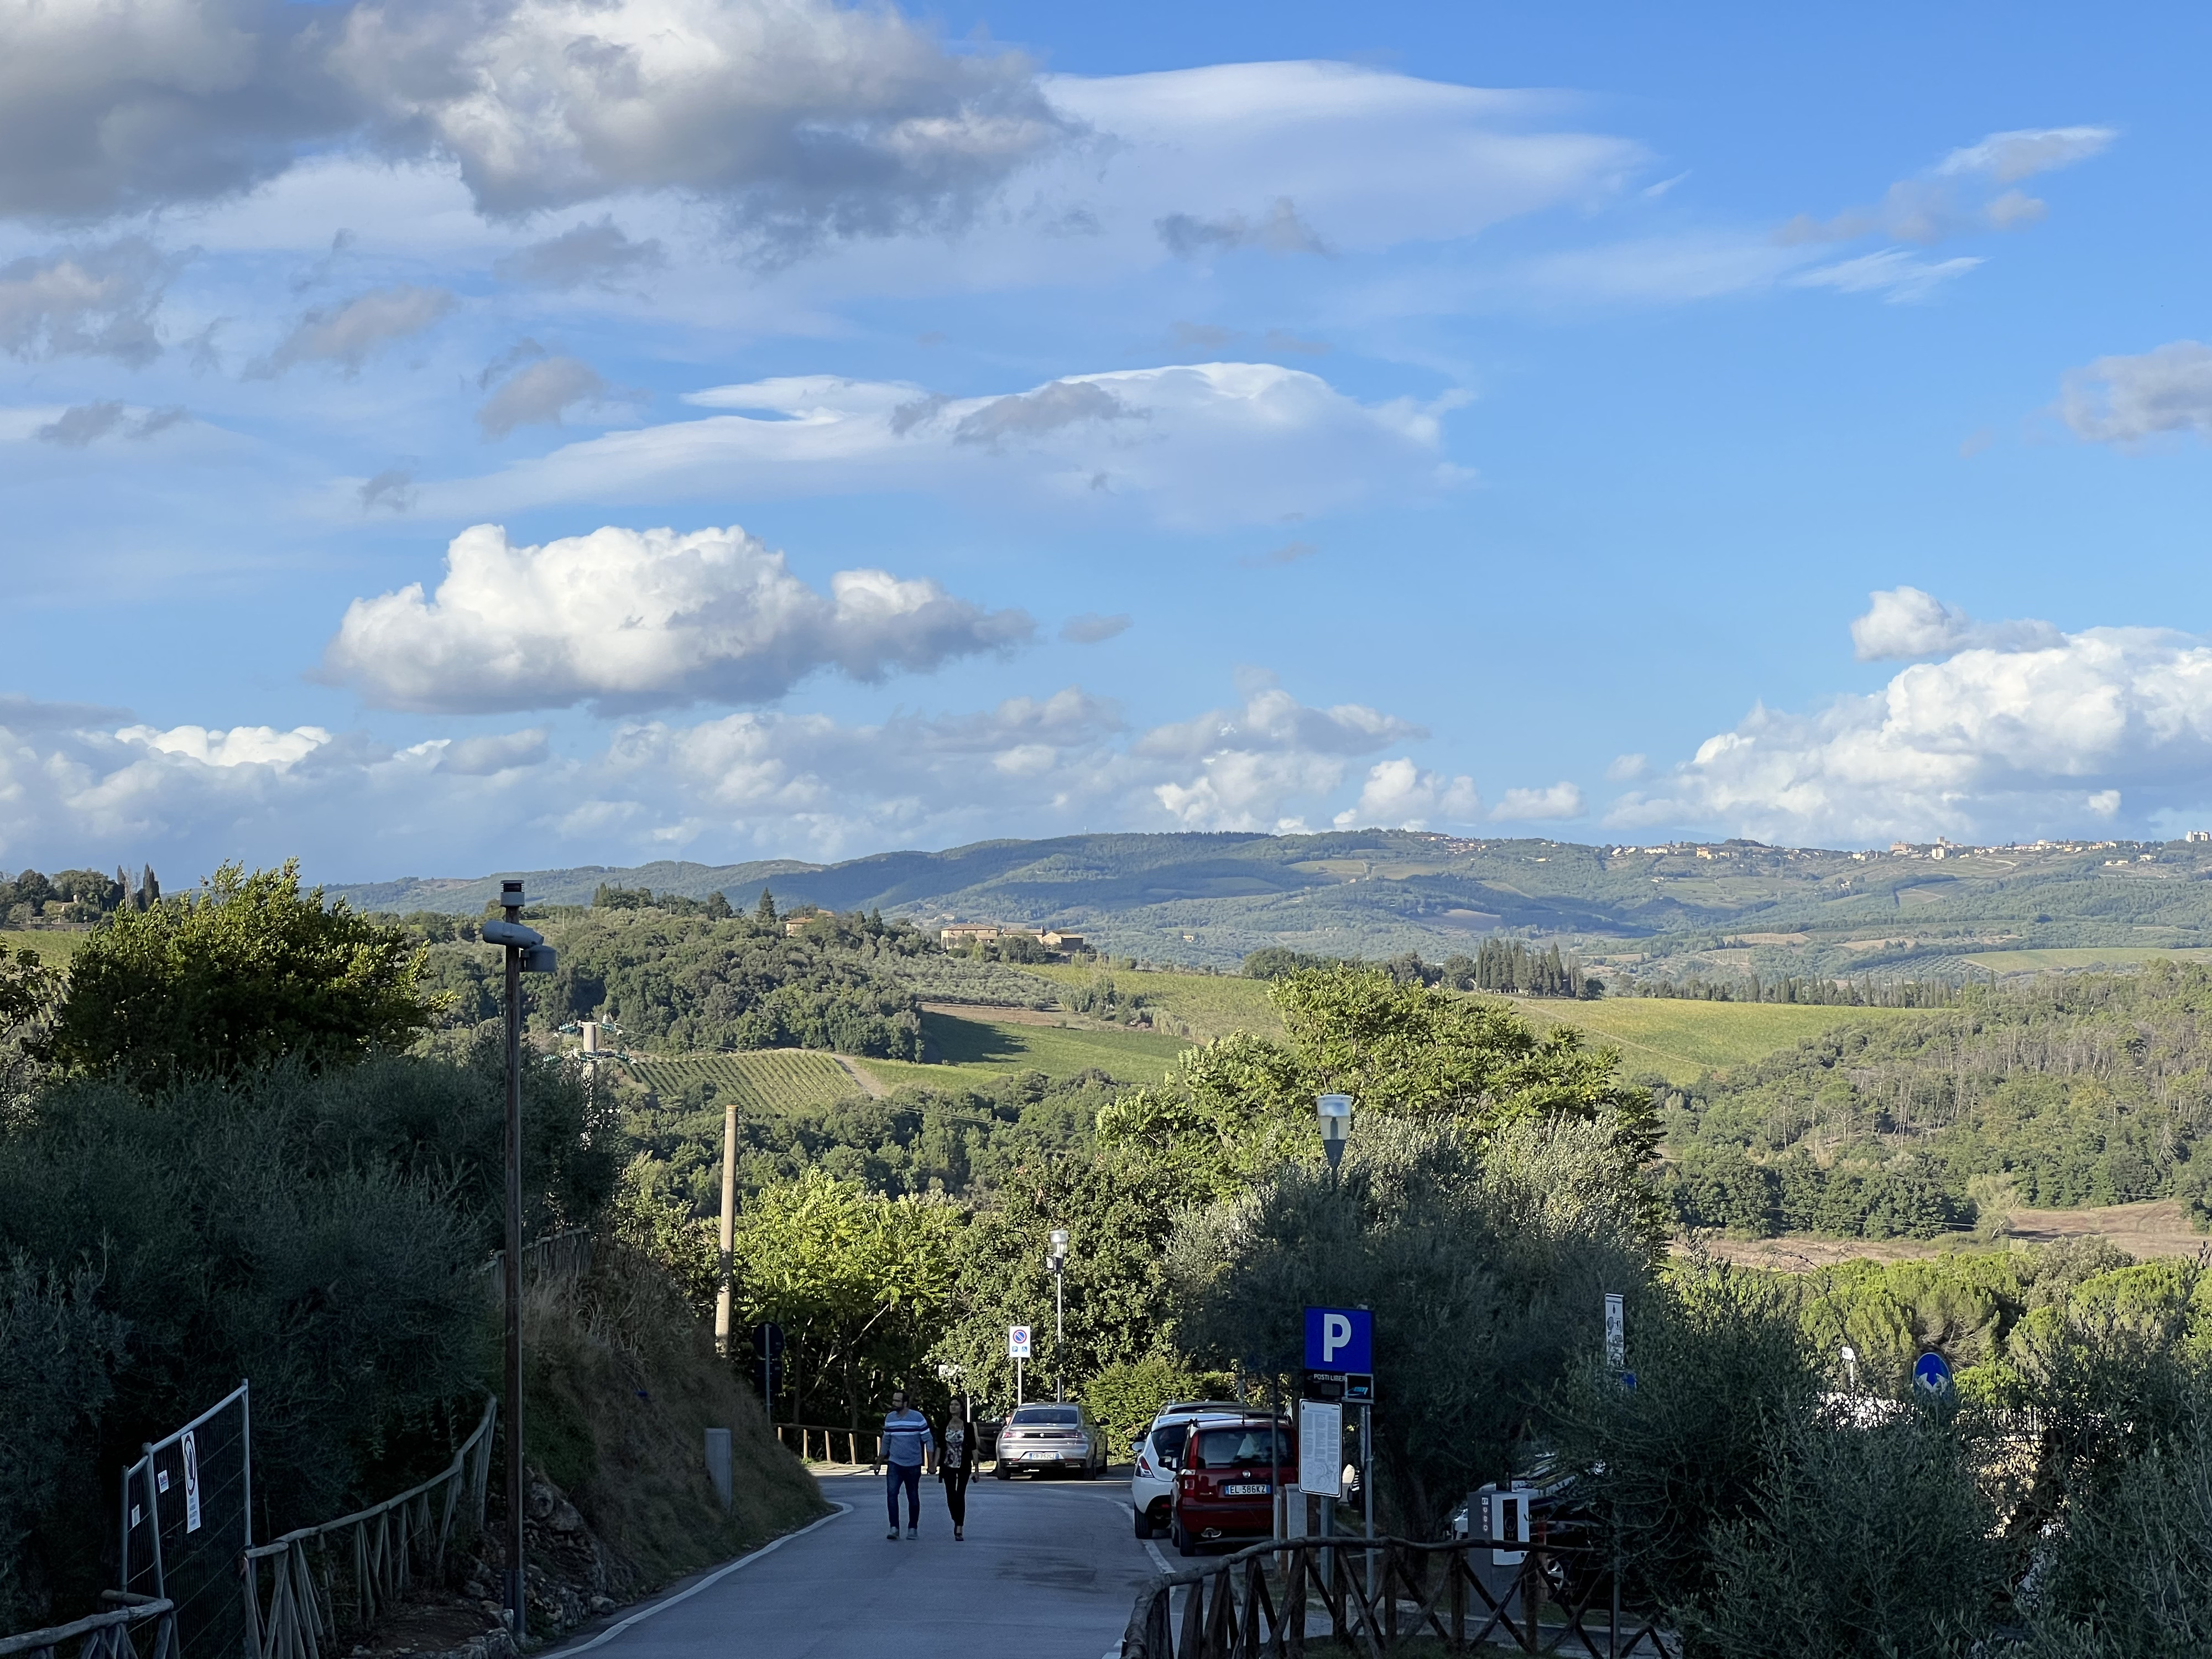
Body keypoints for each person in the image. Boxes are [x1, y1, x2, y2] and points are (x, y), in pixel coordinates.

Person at [879, 1387, 933, 1540]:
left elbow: (928, 1440)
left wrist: (931, 1464)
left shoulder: (917, 1418)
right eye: (894, 1400)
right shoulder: (890, 1418)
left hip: (913, 1464)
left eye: (897, 1400)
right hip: (895, 1463)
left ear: (905, 1403)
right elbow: (886, 1441)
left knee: (913, 1496)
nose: (894, 1403)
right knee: (891, 1494)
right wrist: (879, 1462)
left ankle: (913, 1527)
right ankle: (894, 1527)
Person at [939, 1400, 973, 1541]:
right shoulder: (943, 1426)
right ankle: (956, 1518)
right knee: (951, 1497)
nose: (953, 1407)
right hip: (948, 1464)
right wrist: (934, 1464)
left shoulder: (968, 1427)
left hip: (964, 1464)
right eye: (951, 1405)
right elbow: (940, 1446)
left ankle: (959, 1526)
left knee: (960, 1496)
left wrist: (976, 1469)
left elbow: (973, 1447)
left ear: (962, 1408)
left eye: (956, 1405)